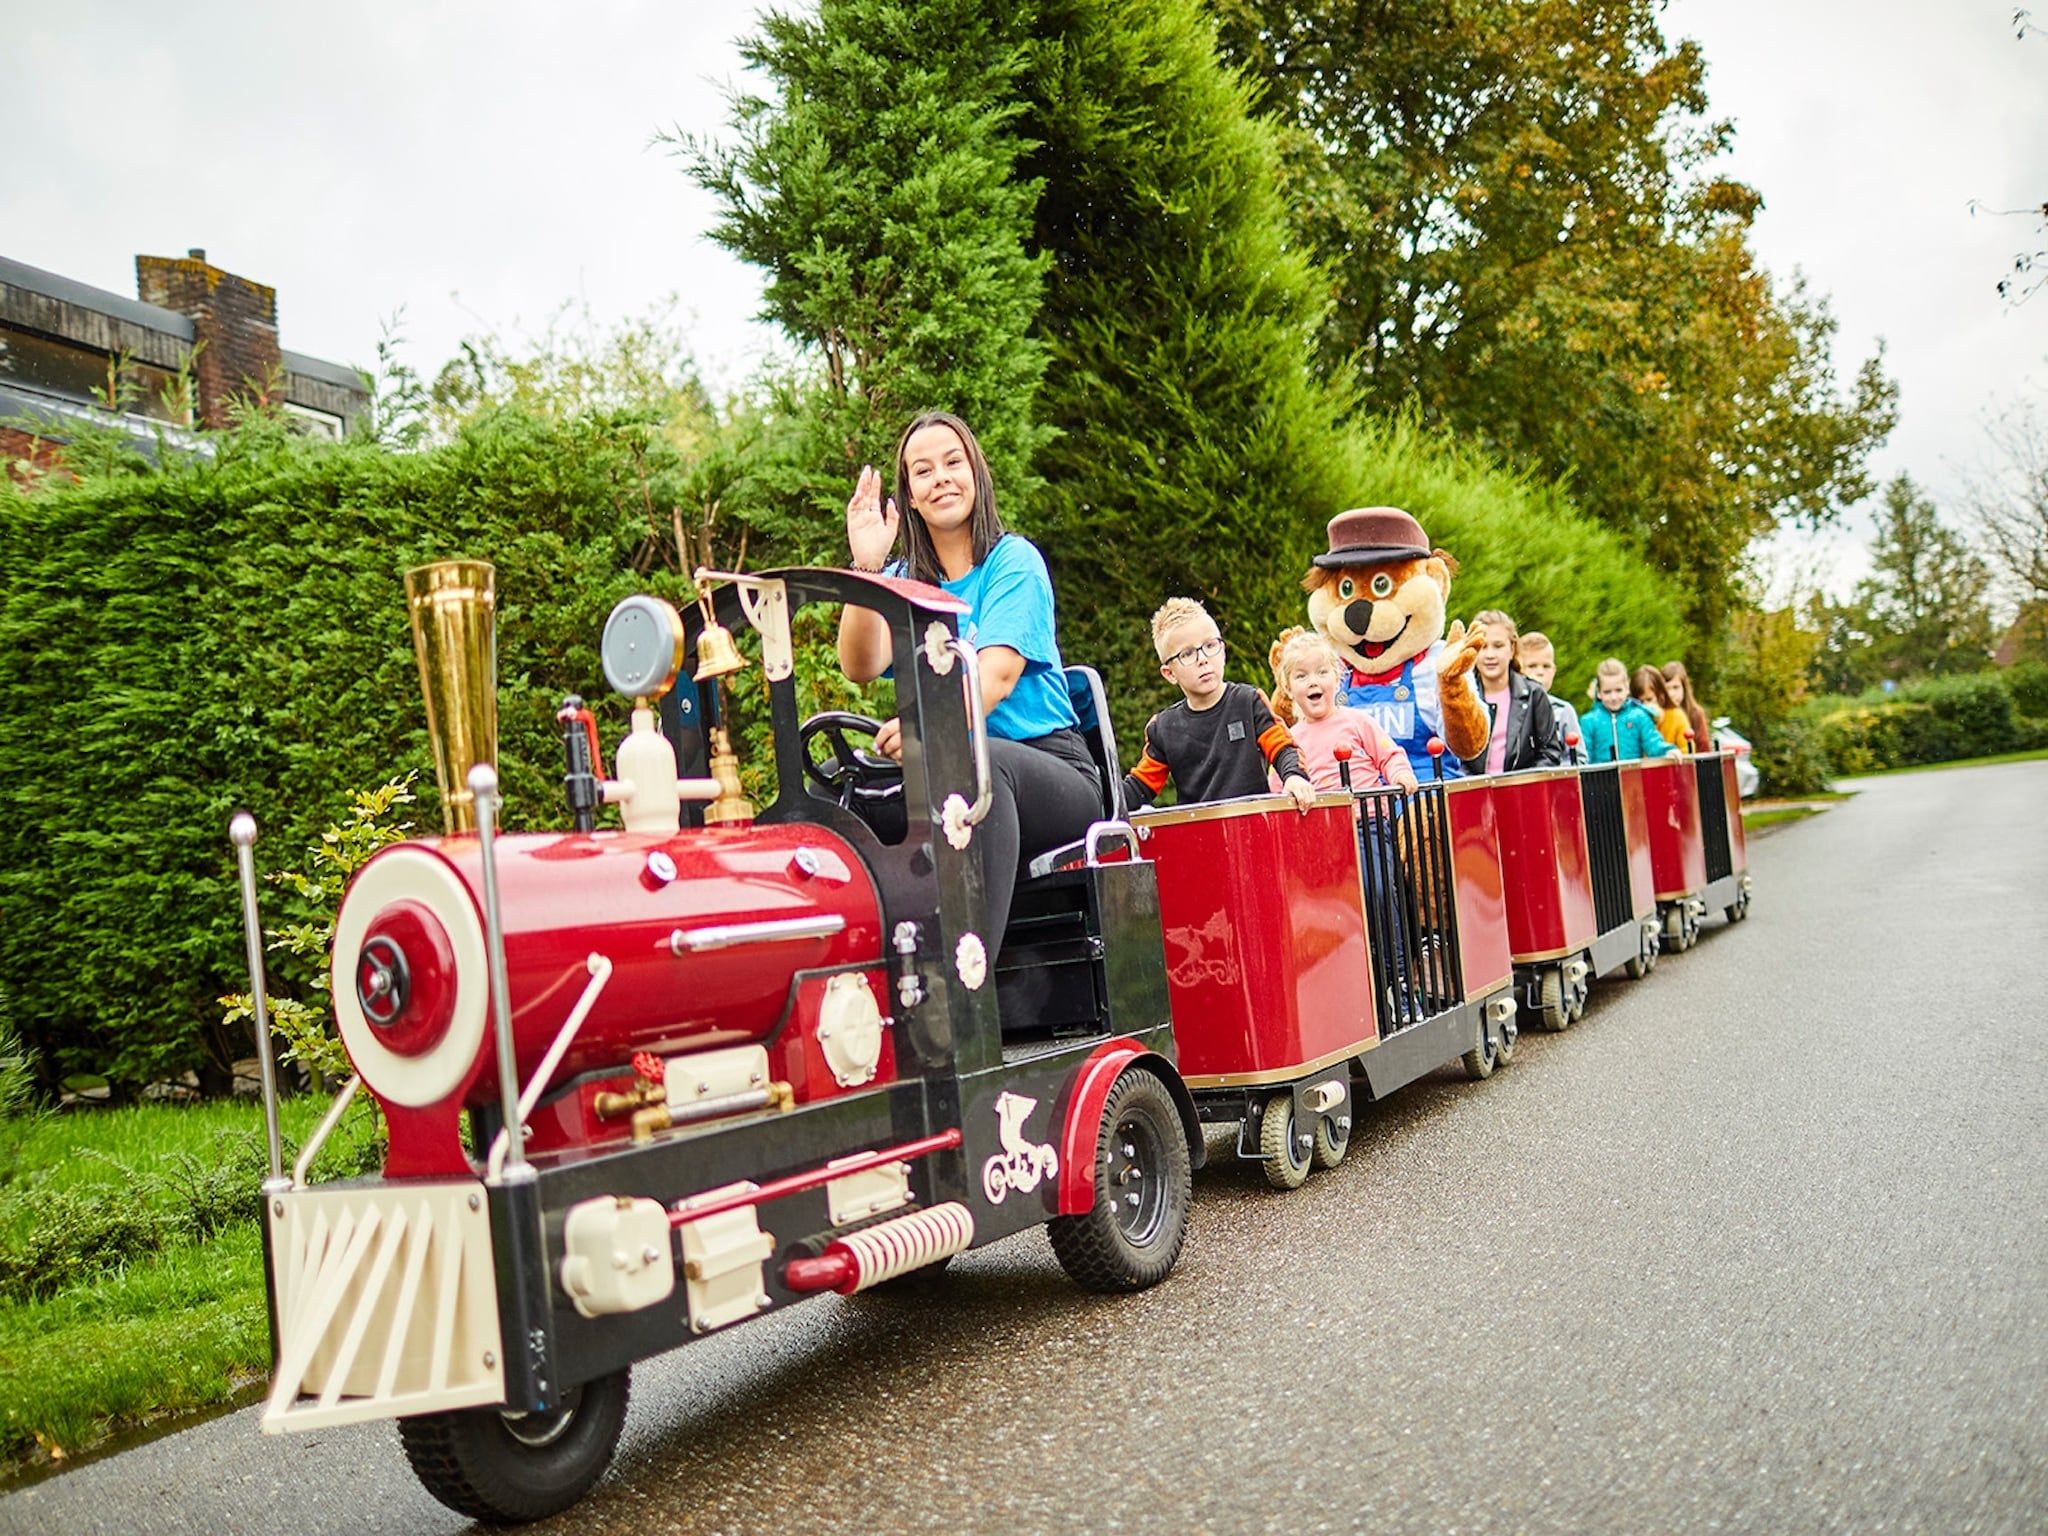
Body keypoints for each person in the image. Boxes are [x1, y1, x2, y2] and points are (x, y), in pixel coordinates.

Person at [837, 410, 1103, 947]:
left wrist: (919, 729)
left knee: (984, 764)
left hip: (1050, 768)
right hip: (950, 767)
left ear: (976, 473)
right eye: (924, 471)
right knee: (842, 783)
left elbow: (996, 677)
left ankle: (967, 987)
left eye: (953, 463)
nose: (941, 479)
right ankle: (871, 974)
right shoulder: (902, 582)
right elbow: (858, 665)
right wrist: (866, 571)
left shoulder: (1014, 561)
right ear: (909, 495)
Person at [1122, 598, 1316, 812]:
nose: (1202, 659)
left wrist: (1294, 777)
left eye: (1210, 645)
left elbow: (1283, 748)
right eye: (1187, 654)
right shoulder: (1164, 728)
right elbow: (1140, 786)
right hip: (1198, 837)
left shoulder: (1248, 701)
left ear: (1223, 650)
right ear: (1169, 674)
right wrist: (1102, 802)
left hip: (1255, 827)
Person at [1268, 630, 1418, 794]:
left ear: (1338, 679)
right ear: (1288, 689)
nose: (1313, 681)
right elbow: (1278, 790)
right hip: (1321, 817)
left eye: (1322, 672)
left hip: (1372, 815)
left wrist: (1400, 774)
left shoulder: (1358, 721)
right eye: (1301, 676)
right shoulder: (1289, 741)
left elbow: (1389, 755)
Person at [1461, 610, 1564, 775]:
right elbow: (1456, 758)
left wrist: (1520, 784)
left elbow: (1549, 753)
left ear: (1512, 649)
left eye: (1498, 646)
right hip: (1477, 796)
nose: (1490, 655)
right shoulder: (1463, 696)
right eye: (1483, 647)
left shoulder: (1534, 695)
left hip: (1524, 795)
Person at [1583, 658, 1679, 762]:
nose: (1614, 697)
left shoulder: (1639, 716)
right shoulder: (1589, 722)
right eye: (1607, 692)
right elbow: (1585, 754)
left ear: (1627, 688)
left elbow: (1652, 741)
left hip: (1633, 775)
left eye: (1618, 690)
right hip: (1601, 777)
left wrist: (1667, 750)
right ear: (1598, 693)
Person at [1517, 631, 1584, 764]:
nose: (1540, 672)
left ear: (1554, 671)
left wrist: (1556, 776)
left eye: (1546, 666)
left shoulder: (1564, 711)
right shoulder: (1510, 709)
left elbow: (1578, 759)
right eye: (1532, 666)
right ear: (1518, 670)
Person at [1634, 664, 1693, 752]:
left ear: (1661, 696)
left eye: (1649, 699)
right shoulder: (1632, 720)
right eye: (1640, 702)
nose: (1645, 706)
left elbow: (1687, 750)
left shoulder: (1677, 717)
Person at [1662, 660, 1713, 753]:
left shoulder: (1695, 713)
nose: (1671, 694)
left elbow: (1704, 749)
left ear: (1684, 688)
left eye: (1676, 687)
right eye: (1667, 689)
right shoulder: (1659, 714)